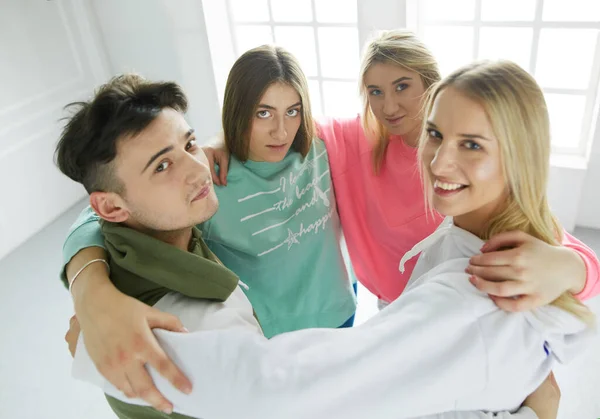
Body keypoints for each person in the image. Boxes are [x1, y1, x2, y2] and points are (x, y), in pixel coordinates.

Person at [62, 32, 600, 411]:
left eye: (472, 144)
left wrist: (569, 267)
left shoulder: (487, 273)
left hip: (366, 314)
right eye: (435, 134)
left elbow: (282, 389)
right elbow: (106, 211)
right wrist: (90, 285)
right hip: (343, 311)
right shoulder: (341, 147)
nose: (438, 162)